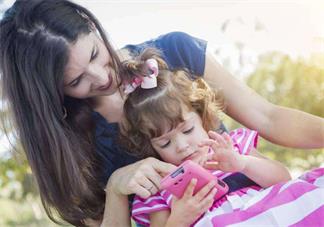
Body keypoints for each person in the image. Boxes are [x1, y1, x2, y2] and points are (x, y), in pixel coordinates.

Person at [0, 0, 323, 226]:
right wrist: (116, 188)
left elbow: (268, 117)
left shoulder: (174, 51)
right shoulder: (65, 138)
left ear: (92, 26)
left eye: (96, 55)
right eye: (75, 81)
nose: (101, 78)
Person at [119, 48, 291, 226]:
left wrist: (243, 164)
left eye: (187, 130)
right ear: (151, 147)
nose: (182, 146)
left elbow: (284, 179)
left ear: (201, 116)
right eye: (165, 143)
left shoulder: (233, 145)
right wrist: (179, 219)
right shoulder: (159, 188)